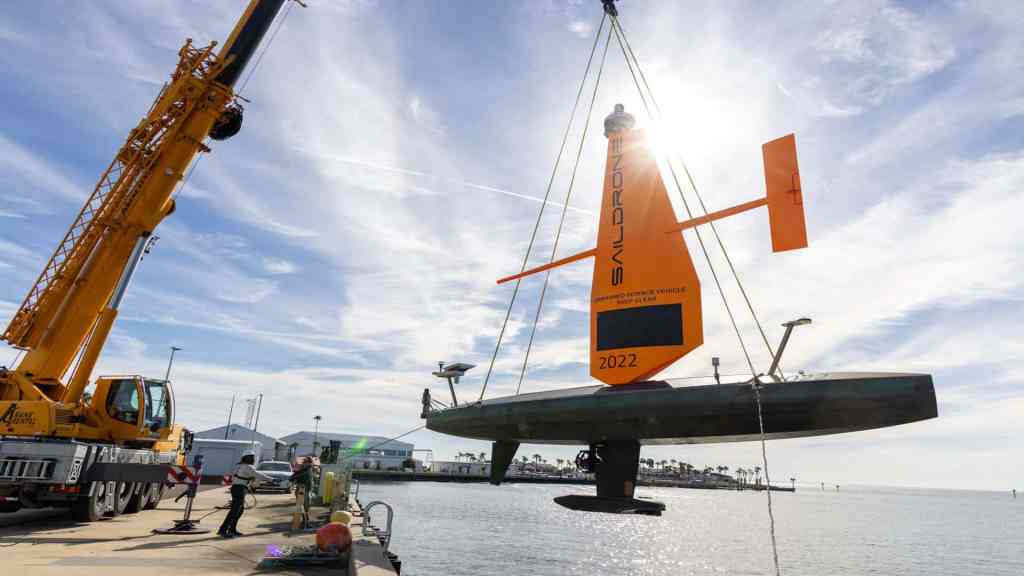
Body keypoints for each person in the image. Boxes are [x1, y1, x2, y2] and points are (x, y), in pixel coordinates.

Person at [218, 452, 270, 538]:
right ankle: (223, 530)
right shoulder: (247, 466)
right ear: (247, 458)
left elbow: (250, 477)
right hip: (239, 489)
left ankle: (232, 529)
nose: (253, 459)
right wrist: (271, 479)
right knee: (234, 511)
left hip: (237, 488)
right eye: (251, 457)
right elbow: (257, 474)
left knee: (239, 510)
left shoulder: (239, 465)